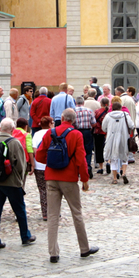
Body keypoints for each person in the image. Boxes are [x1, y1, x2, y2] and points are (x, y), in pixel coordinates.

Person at [35, 108, 98, 263]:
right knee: (76, 213)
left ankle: (53, 253)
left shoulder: (51, 132)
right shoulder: (76, 134)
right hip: (69, 179)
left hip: (51, 177)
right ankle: (84, 249)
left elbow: (39, 155)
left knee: (52, 215)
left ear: (61, 117)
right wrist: (84, 179)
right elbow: (81, 160)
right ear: (73, 120)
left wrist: (51, 164)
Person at [0, 118, 36, 250]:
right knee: (19, 210)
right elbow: (21, 164)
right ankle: (25, 236)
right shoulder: (14, 142)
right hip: (12, 182)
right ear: (12, 129)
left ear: (1, 128)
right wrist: (20, 180)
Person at [102, 102, 134, 184]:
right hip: (124, 137)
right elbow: (131, 125)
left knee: (113, 158)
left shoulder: (108, 116)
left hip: (111, 138)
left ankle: (115, 178)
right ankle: (123, 172)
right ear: (120, 108)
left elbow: (103, 127)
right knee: (124, 155)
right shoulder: (125, 115)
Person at [32, 116, 54, 220]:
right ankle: (54, 211)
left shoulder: (36, 134)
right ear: (50, 124)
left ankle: (45, 212)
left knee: (42, 189)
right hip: (51, 164)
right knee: (53, 189)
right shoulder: (53, 133)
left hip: (39, 165)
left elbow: (35, 150)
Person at [74, 96, 96, 178]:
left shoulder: (73, 111)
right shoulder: (89, 111)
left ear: (76, 102)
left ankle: (79, 168)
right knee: (88, 150)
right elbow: (94, 123)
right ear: (83, 102)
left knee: (78, 150)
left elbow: (72, 123)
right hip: (87, 131)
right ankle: (88, 166)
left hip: (77, 132)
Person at [13, 117, 35, 188]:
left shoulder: (11, 133)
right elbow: (29, 149)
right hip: (24, 161)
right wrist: (32, 164)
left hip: (12, 160)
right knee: (22, 181)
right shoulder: (27, 135)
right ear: (26, 126)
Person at [93, 97, 110, 175]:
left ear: (100, 104)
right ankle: (108, 162)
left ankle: (101, 167)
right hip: (108, 132)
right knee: (108, 149)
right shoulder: (109, 112)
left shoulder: (97, 111)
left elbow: (93, 121)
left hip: (98, 132)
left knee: (99, 149)